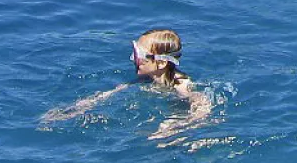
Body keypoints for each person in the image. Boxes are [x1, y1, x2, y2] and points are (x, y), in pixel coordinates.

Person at [39, 28, 211, 128]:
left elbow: (202, 105)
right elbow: (108, 94)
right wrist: (75, 109)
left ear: (161, 63)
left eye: (140, 55)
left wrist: (173, 125)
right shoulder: (147, 78)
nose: (135, 59)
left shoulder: (180, 84)